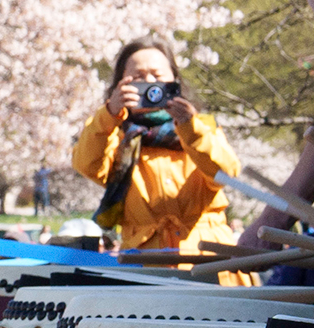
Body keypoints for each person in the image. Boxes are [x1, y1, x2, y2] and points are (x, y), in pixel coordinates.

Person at [72, 43, 236, 257]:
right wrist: (109, 113)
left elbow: (226, 174)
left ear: (174, 81)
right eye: (138, 77)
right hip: (145, 261)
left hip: (208, 257)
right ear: (120, 84)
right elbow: (87, 164)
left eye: (157, 75)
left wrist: (189, 127)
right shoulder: (115, 135)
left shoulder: (201, 128)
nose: (149, 83)